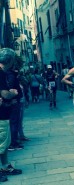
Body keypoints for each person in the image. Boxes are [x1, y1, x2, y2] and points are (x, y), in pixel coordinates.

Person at [0, 48, 22, 182]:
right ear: (10, 60)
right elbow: (4, 93)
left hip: (3, 113)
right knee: (1, 142)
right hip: (1, 114)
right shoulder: (1, 73)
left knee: (4, 142)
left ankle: (5, 166)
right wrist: (13, 93)